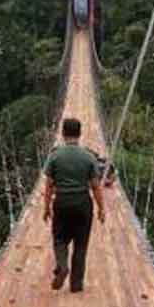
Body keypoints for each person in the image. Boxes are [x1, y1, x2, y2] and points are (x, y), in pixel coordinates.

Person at [42, 117, 106, 292]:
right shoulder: (89, 157)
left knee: (59, 239)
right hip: (83, 203)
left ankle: (62, 266)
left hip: (62, 202)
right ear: (80, 133)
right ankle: (76, 285)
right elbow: (95, 186)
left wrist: (46, 207)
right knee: (81, 244)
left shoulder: (55, 156)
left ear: (63, 133)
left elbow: (48, 185)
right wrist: (101, 208)